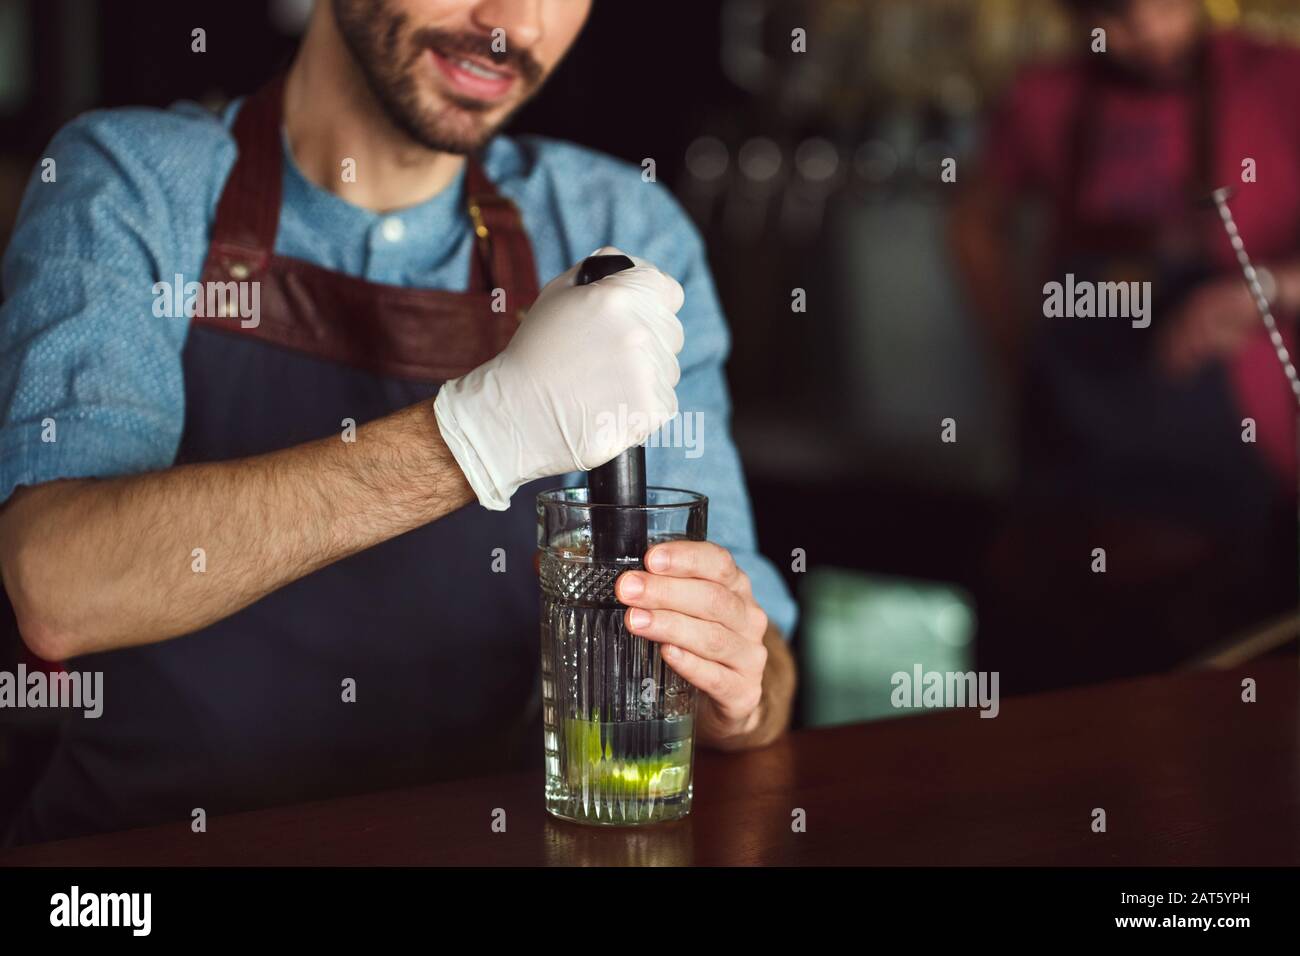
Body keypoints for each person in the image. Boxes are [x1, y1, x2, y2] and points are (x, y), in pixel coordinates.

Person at [0, 0, 798, 844]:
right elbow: (58, 588)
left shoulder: (617, 228)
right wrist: (477, 437)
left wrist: (738, 691)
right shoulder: (134, 182)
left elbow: (766, 669)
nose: (514, 26)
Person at [950, 0, 1298, 691]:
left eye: (1166, 9)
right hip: (1072, 482)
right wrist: (1013, 347)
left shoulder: (1277, 81)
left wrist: (1260, 289)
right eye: (1123, 19)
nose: (1153, 35)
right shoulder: (1045, 94)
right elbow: (971, 223)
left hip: (1245, 474)